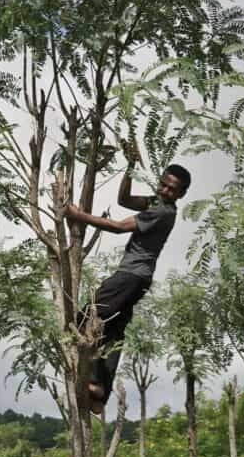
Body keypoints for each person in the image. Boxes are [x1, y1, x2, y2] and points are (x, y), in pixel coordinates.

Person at [64, 162, 191, 414]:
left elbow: (120, 226)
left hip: (130, 276)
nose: (165, 190)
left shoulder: (164, 213)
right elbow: (124, 200)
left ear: (180, 194)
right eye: (163, 184)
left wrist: (78, 215)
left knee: (86, 316)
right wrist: (130, 169)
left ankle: (89, 377)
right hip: (139, 279)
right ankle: (100, 393)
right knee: (113, 331)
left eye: (172, 189)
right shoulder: (157, 203)